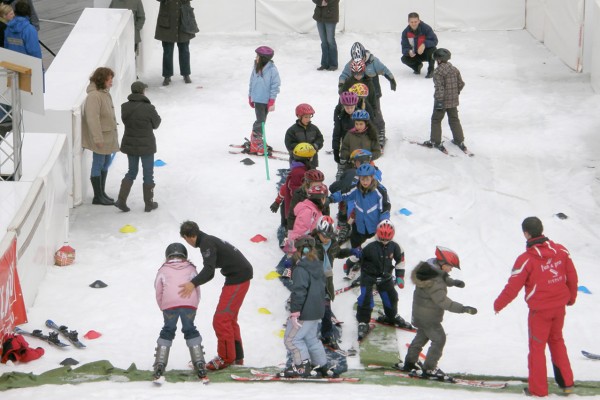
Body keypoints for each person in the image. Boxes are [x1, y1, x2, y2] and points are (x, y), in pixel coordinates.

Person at [494, 217, 578, 397]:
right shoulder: (561, 251)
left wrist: (498, 304)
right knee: (557, 341)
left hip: (540, 312)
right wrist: (571, 298)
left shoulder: (526, 259)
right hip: (559, 307)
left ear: (526, 233)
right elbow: (572, 277)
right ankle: (567, 384)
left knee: (537, 349)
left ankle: (538, 390)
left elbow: (513, 287)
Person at [178, 221, 253, 370]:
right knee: (229, 320)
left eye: (185, 239)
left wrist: (193, 283)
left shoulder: (206, 243)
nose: (187, 242)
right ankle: (237, 358)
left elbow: (209, 271)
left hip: (239, 278)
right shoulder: (208, 240)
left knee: (221, 319)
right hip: (237, 276)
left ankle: (225, 359)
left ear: (190, 236)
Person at [400, 246, 477, 380]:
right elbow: (444, 302)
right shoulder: (435, 282)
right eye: (450, 266)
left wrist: (453, 282)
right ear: (442, 264)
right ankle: (429, 368)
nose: (451, 269)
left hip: (420, 313)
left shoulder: (428, 269)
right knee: (439, 339)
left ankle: (410, 363)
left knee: (421, 337)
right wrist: (463, 308)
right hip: (429, 317)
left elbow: (442, 276)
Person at [278, 235, 337, 378]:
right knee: (311, 339)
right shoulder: (318, 266)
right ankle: (321, 365)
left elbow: (299, 291)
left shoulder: (300, 269)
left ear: (299, 251)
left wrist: (295, 311)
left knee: (292, 339)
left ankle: (301, 366)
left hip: (305, 311)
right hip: (317, 310)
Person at [153, 243, 206, 380]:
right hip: (189, 304)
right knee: (190, 329)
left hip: (169, 305)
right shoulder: (191, 268)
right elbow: (197, 287)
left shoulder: (163, 269)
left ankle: (160, 363)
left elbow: (158, 289)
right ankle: (199, 362)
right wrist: (194, 304)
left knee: (167, 330)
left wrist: (162, 306)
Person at [355, 220, 411, 340]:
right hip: (368, 275)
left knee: (391, 297)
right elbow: (356, 255)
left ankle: (391, 316)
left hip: (385, 276)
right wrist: (349, 263)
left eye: (387, 240)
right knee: (365, 298)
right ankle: (363, 322)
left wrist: (400, 276)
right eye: (382, 239)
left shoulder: (396, 246)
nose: (384, 242)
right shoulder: (368, 244)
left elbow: (400, 261)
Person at [115, 81, 162, 213]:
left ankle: (121, 200)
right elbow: (156, 124)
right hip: (146, 146)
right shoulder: (149, 108)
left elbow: (125, 121)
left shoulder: (124, 107)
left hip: (131, 145)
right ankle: (148, 203)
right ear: (142, 91)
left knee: (131, 172)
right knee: (148, 174)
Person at [339, 42, 396, 147]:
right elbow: (344, 75)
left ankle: (380, 132)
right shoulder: (351, 64)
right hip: (356, 96)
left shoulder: (373, 61)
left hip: (373, 92)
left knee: (375, 112)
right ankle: (355, 134)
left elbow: (384, 70)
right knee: (357, 114)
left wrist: (391, 79)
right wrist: (341, 85)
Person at [313, 215, 352, 349]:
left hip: (326, 280)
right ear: (318, 232)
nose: (326, 239)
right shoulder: (310, 243)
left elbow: (338, 253)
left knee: (326, 309)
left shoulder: (333, 244)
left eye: (329, 236)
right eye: (324, 236)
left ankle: (327, 334)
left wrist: (351, 251)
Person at [82, 67, 119, 206]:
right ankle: (98, 196)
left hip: (108, 137)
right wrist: (98, 139)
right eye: (110, 80)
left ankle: (101, 193)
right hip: (102, 138)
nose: (111, 83)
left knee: (105, 164)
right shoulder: (94, 96)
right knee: (98, 164)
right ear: (102, 80)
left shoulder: (104, 93)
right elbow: (92, 119)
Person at [329, 163, 390, 248]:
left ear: (372, 177)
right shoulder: (356, 189)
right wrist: (331, 199)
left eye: (367, 179)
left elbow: (385, 209)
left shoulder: (379, 192)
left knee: (371, 250)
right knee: (356, 249)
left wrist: (383, 223)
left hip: (373, 228)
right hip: (359, 227)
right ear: (359, 178)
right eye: (362, 179)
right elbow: (343, 193)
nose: (365, 182)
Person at [422, 48, 467, 153]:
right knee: (454, 119)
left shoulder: (438, 72)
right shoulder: (454, 69)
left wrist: (439, 101)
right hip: (453, 101)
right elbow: (461, 84)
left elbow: (440, 88)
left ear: (438, 60)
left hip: (441, 101)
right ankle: (459, 140)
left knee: (436, 120)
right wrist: (455, 93)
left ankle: (435, 141)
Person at [270, 142, 317, 241]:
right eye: (311, 157)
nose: (313, 159)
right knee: (294, 226)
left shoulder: (297, 170)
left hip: (291, 205)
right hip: (296, 208)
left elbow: (285, 187)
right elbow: (292, 190)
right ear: (307, 159)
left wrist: (278, 201)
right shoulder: (300, 173)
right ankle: (290, 239)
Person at [154, 0, 198, 86]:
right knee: (167, 51)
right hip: (168, 20)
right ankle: (167, 75)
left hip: (183, 19)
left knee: (184, 50)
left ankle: (186, 74)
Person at [248, 46, 281, 155]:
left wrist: (272, 99)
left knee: (262, 120)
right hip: (257, 99)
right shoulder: (256, 67)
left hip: (265, 100)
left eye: (258, 56)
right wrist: (250, 96)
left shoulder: (272, 70)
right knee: (260, 120)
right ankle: (256, 140)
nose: (256, 58)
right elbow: (252, 82)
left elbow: (275, 86)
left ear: (263, 58)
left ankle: (257, 139)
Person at [401, 12, 438, 78]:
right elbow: (404, 48)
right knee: (404, 59)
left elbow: (434, 41)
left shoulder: (426, 28)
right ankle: (417, 67)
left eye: (415, 21)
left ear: (419, 21)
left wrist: (424, 44)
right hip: (415, 55)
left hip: (426, 53)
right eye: (411, 22)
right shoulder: (405, 32)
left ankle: (431, 70)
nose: (414, 24)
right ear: (408, 22)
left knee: (433, 50)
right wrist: (409, 51)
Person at [312, 0, 339, 71]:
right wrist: (320, 2)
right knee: (323, 41)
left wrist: (325, 1)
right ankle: (324, 64)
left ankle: (333, 64)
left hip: (331, 15)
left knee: (330, 41)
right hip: (319, 16)